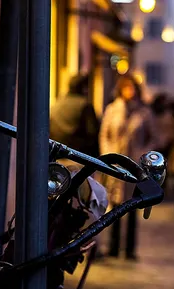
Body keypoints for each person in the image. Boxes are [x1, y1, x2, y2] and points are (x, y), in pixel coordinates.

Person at [99, 75, 154, 260]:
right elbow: (104, 135)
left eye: (132, 88)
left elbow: (153, 137)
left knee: (132, 207)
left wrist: (143, 154)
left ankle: (129, 249)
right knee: (114, 206)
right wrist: (108, 156)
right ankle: (113, 247)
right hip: (116, 165)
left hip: (135, 166)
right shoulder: (112, 110)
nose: (129, 91)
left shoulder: (143, 113)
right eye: (126, 88)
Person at [49, 73, 99, 157]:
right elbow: (91, 133)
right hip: (77, 155)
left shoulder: (56, 104)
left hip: (57, 153)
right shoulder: (85, 105)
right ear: (83, 88)